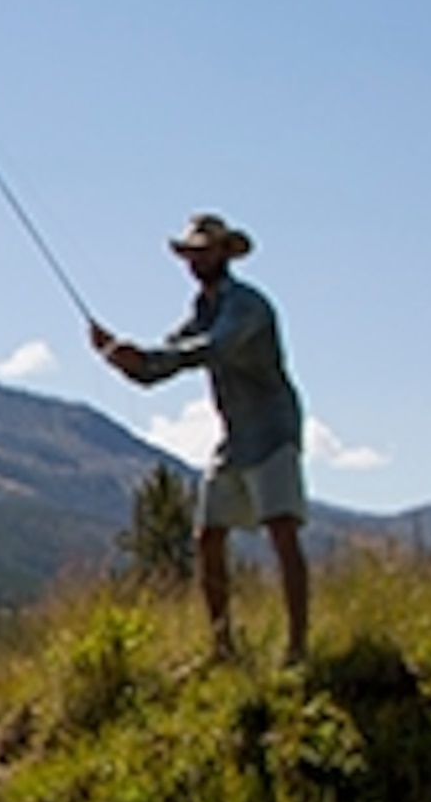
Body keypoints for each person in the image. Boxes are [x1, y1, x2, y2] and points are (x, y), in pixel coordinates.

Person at [90, 213, 310, 664]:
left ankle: (298, 648)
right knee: (207, 537)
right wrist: (120, 357)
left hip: (273, 428)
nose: (195, 260)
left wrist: (146, 356)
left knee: (282, 532)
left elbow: (210, 349)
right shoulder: (201, 310)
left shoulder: (246, 306)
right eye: (190, 253)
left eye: (204, 251)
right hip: (235, 437)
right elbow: (159, 369)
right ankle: (222, 648)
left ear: (226, 253)